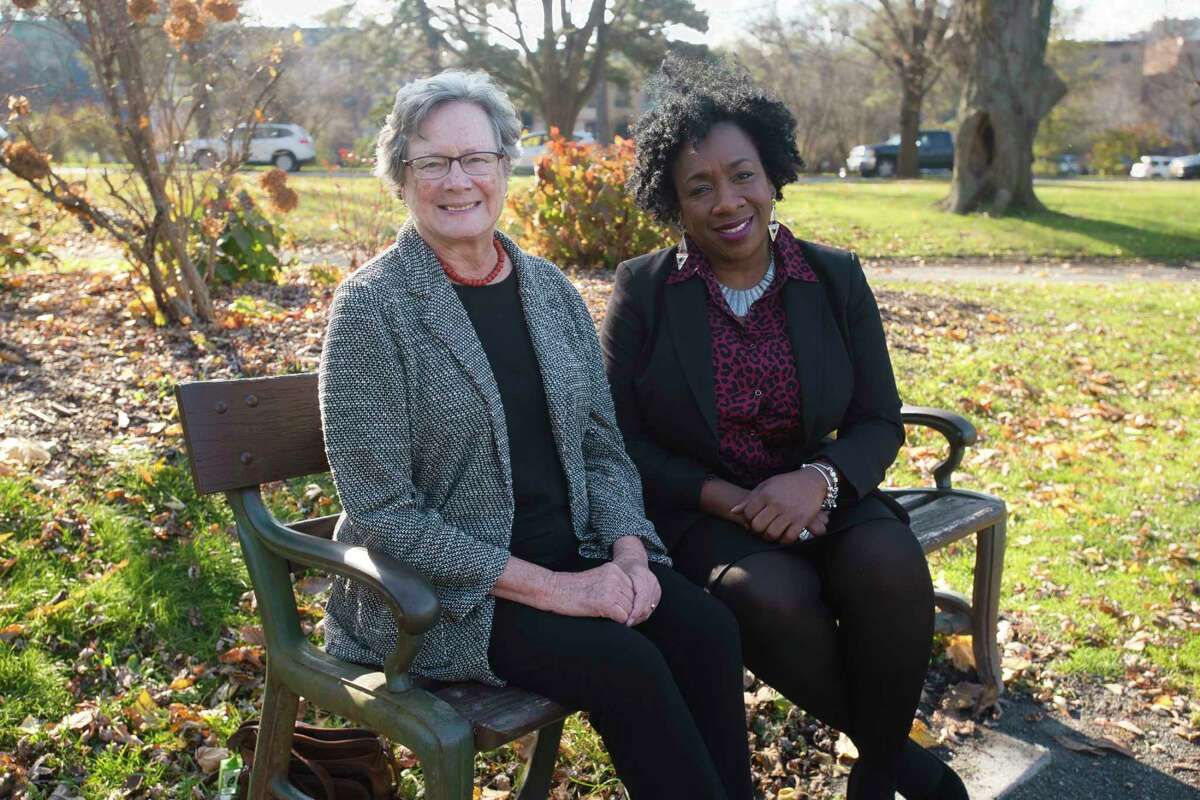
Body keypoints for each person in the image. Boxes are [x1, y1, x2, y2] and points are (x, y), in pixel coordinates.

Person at [318, 70, 751, 800]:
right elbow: (383, 515)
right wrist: (559, 591)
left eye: (476, 159)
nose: (458, 181)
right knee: (627, 664)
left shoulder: (547, 289)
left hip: (579, 554)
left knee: (708, 630)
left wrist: (630, 554)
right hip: (449, 596)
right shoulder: (372, 309)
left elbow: (601, 449)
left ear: (504, 167)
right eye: (433, 162)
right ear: (402, 177)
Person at [602, 57, 968, 800]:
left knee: (889, 565)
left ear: (773, 176)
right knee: (766, 593)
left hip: (823, 490)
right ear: (673, 204)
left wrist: (820, 480)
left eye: (742, 175)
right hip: (708, 510)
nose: (727, 201)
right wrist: (731, 502)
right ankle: (906, 767)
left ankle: (875, 773)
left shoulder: (833, 278)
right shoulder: (644, 292)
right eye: (698, 188)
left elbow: (876, 420)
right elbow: (621, 442)